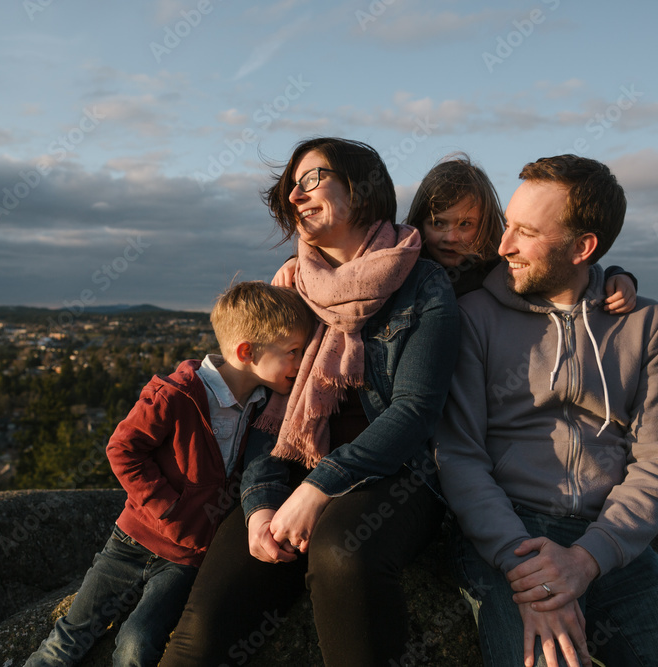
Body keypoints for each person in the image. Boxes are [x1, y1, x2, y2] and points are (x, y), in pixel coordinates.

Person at [159, 137, 460, 666]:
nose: (295, 195)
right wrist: (258, 504)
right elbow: (266, 411)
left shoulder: (423, 283)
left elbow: (414, 410)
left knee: (343, 555)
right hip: (289, 466)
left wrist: (321, 487)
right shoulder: (289, 288)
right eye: (290, 187)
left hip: (395, 474)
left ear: (364, 187)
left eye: (312, 179)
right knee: (199, 636)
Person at [434, 154, 658, 667]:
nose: (503, 246)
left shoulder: (647, 324)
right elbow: (459, 454)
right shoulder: (473, 317)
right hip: (509, 534)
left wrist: (588, 558)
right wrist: (527, 566)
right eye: (508, 226)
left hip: (613, 539)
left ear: (583, 247)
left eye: (525, 232)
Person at [24, 281, 316, 667]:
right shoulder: (176, 394)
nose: (301, 363)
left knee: (137, 642)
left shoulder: (266, 408)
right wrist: (167, 508)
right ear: (247, 352)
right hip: (132, 540)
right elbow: (123, 449)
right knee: (71, 636)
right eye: (294, 352)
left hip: (185, 560)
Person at [275, 152, 638, 310]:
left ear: (487, 225)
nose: (450, 236)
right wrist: (300, 262)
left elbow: (556, 269)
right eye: (438, 223)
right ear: (419, 221)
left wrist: (614, 276)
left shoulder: (498, 271)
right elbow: (352, 261)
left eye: (466, 224)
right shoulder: (397, 263)